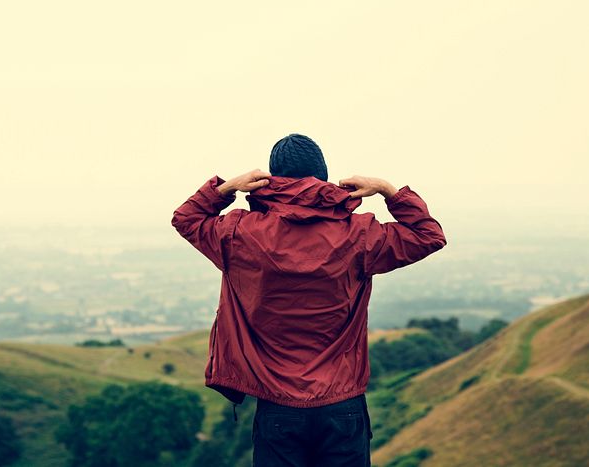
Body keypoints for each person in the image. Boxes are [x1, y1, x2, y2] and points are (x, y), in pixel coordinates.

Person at [171, 133, 447, 466]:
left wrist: (227, 188)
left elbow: (186, 218)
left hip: (277, 407)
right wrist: (387, 189)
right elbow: (428, 235)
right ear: (323, 176)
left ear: (269, 180)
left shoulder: (239, 233)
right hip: (342, 405)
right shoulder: (359, 234)